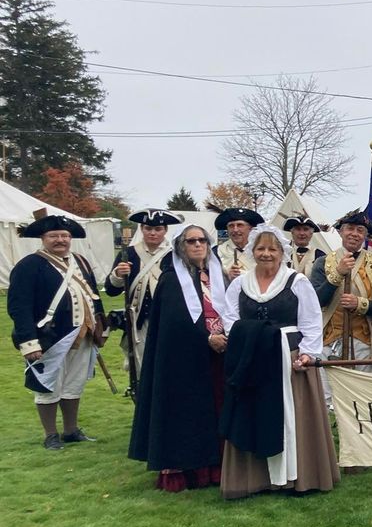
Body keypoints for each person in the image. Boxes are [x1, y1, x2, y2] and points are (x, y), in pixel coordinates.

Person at [218, 225, 338, 499]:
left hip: (290, 359)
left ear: (282, 252)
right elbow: (230, 319)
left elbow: (311, 320)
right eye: (260, 248)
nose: (266, 254)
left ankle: (299, 476)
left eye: (272, 248)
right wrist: (249, 340)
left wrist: (308, 353)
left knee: (292, 417)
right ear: (252, 251)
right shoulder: (240, 284)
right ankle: (257, 478)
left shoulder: (296, 282)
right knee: (254, 413)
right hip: (253, 359)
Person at [128, 225, 227, 491]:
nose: (197, 245)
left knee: (217, 410)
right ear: (181, 246)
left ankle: (217, 466)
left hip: (218, 359)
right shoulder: (172, 280)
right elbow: (173, 324)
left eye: (202, 240)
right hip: (185, 361)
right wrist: (206, 338)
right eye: (191, 241)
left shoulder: (217, 276)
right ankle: (188, 470)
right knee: (188, 413)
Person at [7, 214, 105, 450]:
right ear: (43, 238)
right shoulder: (30, 265)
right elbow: (19, 306)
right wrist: (29, 342)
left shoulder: (80, 262)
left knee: (74, 383)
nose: (60, 240)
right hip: (49, 338)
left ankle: (71, 430)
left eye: (65, 236)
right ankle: (51, 434)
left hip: (83, 334)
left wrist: (101, 326)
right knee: (48, 384)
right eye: (54, 236)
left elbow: (92, 294)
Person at [311, 211, 372, 399]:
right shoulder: (322, 263)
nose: (354, 234)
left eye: (360, 230)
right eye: (350, 229)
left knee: (362, 395)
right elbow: (316, 301)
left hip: (365, 341)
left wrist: (361, 304)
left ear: (365, 236)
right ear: (340, 232)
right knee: (328, 397)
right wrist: (337, 274)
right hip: (330, 339)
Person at [105, 209, 182, 387]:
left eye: (158, 229)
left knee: (169, 366)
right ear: (142, 229)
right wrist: (118, 275)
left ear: (165, 231)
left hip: (168, 320)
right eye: (148, 228)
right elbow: (111, 291)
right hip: (138, 322)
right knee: (140, 369)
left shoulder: (176, 254)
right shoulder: (129, 253)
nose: (153, 233)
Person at [215, 207, 265, 279]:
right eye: (231, 226)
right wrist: (226, 277)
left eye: (240, 225)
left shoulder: (263, 250)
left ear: (250, 228)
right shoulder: (216, 252)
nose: (235, 230)